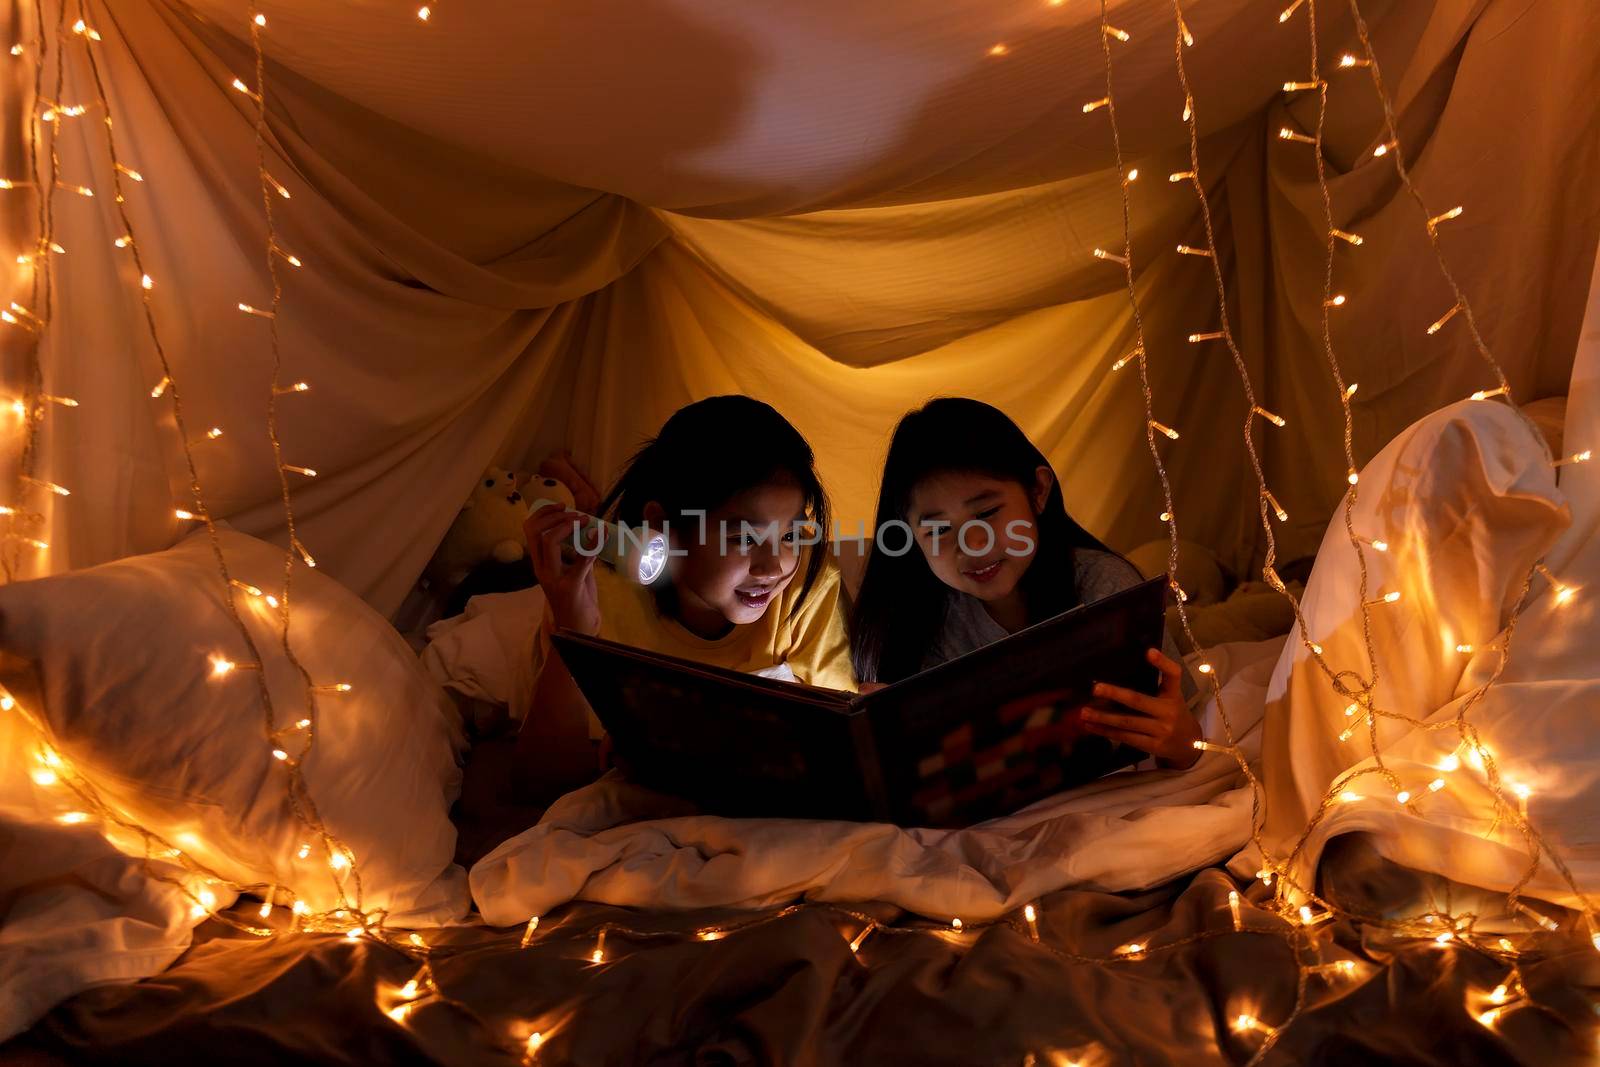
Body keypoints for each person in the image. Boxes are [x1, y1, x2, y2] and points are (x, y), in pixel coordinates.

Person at [518, 395, 855, 801]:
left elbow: (844, 742)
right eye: (743, 537)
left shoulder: (807, 582)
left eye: (788, 535)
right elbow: (539, 787)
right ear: (662, 525)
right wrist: (573, 630)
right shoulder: (595, 592)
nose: (772, 567)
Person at [849, 397, 1201, 769]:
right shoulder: (921, 626)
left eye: (986, 513)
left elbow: (1179, 734)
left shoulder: (1104, 587)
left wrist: (1182, 743)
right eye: (937, 529)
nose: (973, 543)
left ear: (1038, 491)